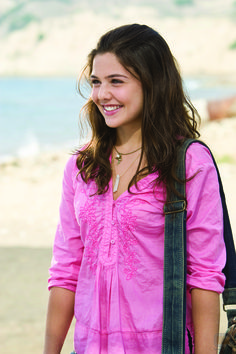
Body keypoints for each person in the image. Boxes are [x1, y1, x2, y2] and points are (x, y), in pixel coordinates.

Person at [43, 24, 226, 354]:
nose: (101, 94)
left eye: (116, 82)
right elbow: (66, 270)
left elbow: (204, 276)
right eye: (96, 82)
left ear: (152, 84)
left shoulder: (189, 163)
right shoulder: (82, 167)